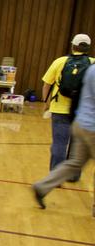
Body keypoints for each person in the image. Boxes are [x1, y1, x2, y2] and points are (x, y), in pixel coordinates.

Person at [33, 64, 95, 217]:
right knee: (73, 161)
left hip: (81, 122)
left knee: (75, 162)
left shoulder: (91, 69)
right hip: (93, 128)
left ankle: (42, 187)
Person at [41, 34, 93, 182]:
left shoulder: (60, 61)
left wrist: (46, 103)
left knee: (59, 143)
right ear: (88, 47)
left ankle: (54, 177)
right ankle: (73, 176)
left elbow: (46, 84)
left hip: (59, 109)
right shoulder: (92, 64)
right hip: (81, 112)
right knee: (77, 146)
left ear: (73, 46)